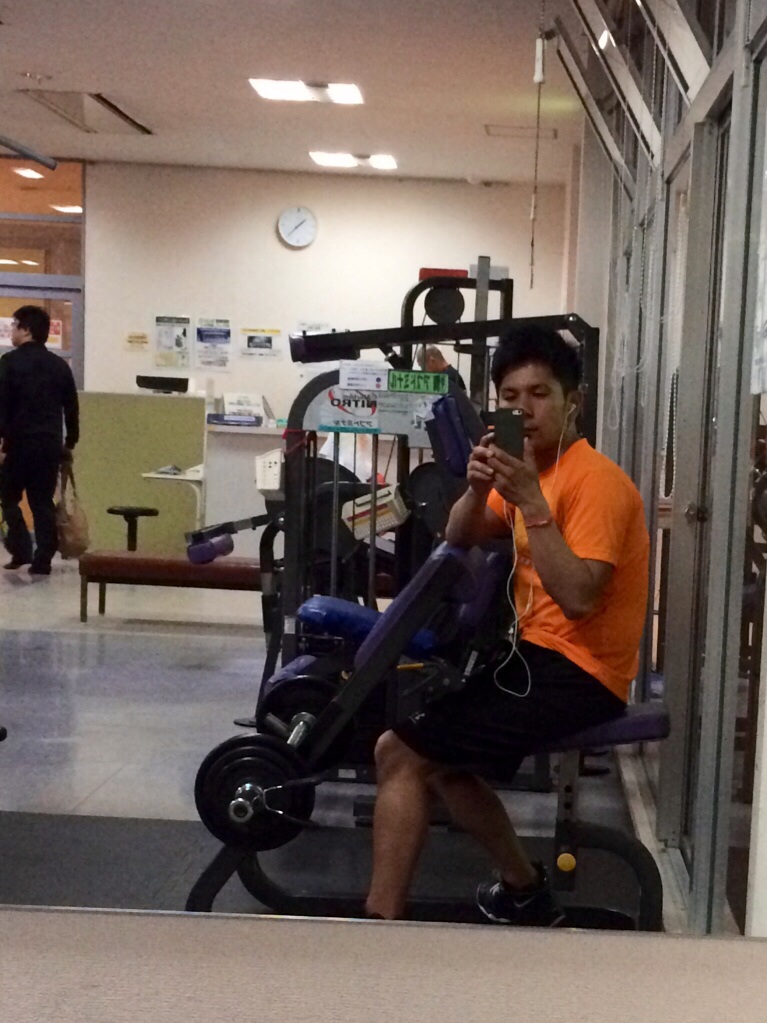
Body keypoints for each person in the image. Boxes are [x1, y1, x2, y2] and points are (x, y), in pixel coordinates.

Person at [364, 324, 649, 925]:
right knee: (443, 763)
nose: (525, 409)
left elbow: (579, 598)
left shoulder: (597, 483)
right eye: (511, 398)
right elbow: (461, 532)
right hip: (535, 659)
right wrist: (476, 488)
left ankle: (377, 928)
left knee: (400, 753)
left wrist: (535, 507)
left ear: (573, 401)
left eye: (540, 394)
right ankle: (524, 891)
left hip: (581, 674)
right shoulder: (530, 471)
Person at [0, 305, 79, 575]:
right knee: (42, 502)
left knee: (8, 497)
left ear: (26, 330)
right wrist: (70, 443)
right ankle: (43, 559)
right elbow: (71, 407)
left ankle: (20, 548)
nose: (12, 331)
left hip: (17, 444)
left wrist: (2, 442)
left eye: (15, 326)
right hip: (48, 445)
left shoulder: (9, 363)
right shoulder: (59, 366)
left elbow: (2, 405)